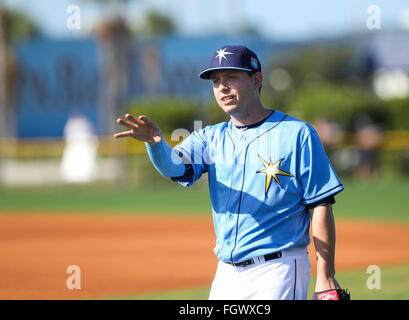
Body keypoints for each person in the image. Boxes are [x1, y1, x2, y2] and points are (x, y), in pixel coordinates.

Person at [114, 45, 347, 300]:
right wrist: (155, 143)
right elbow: (175, 167)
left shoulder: (297, 134)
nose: (222, 87)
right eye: (216, 81)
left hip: (278, 270)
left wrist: (325, 275)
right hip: (227, 274)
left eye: (231, 77)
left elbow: (320, 204)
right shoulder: (210, 137)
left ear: (256, 80)